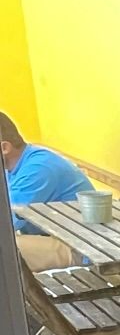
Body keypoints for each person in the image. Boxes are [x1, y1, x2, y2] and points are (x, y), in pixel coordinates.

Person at [1, 111, 91, 272]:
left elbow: (5, 224)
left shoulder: (38, 169)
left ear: (5, 148)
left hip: (82, 249)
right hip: (58, 239)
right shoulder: (14, 166)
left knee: (4, 247)